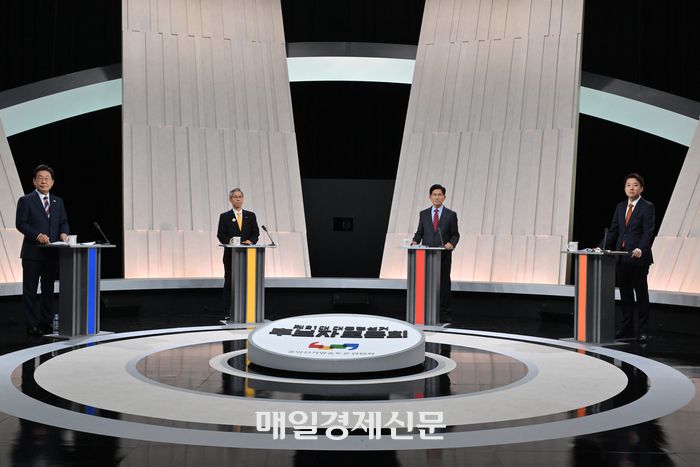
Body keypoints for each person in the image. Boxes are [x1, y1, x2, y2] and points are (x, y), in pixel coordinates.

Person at [15, 165, 69, 336]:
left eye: (47, 178)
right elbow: (20, 224)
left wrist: (64, 233)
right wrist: (36, 235)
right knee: (30, 290)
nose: (43, 181)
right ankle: (32, 325)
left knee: (48, 290)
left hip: (52, 254)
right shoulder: (26, 200)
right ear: (34, 181)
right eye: (40, 177)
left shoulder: (58, 201)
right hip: (32, 253)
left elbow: (63, 221)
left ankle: (46, 322)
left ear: (52, 182)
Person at [601, 173, 656, 343]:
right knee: (625, 295)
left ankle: (643, 331)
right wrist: (600, 247)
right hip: (621, 256)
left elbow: (648, 231)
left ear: (641, 188)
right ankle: (626, 329)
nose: (631, 188)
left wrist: (640, 248)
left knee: (641, 295)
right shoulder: (620, 206)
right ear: (625, 188)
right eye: (628, 185)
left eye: (635, 185)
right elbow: (614, 230)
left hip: (638, 257)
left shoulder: (647, 207)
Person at [411, 184, 460, 322]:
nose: (437, 197)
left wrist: (451, 243)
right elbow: (420, 232)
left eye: (440, 195)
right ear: (430, 197)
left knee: (443, 284)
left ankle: (445, 313)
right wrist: (415, 241)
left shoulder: (451, 215)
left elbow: (455, 234)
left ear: (444, 197)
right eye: (434, 195)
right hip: (426, 255)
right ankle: (424, 312)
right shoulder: (423, 214)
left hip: (443, 255)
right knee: (425, 283)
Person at [217, 188, 259, 315]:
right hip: (231, 255)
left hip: (248, 255)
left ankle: (248, 309)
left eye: (240, 197)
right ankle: (228, 310)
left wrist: (251, 241)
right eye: (235, 197)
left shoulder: (251, 216)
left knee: (248, 282)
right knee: (230, 281)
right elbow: (220, 234)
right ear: (231, 200)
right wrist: (230, 241)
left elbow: (256, 233)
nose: (238, 199)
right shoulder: (225, 216)